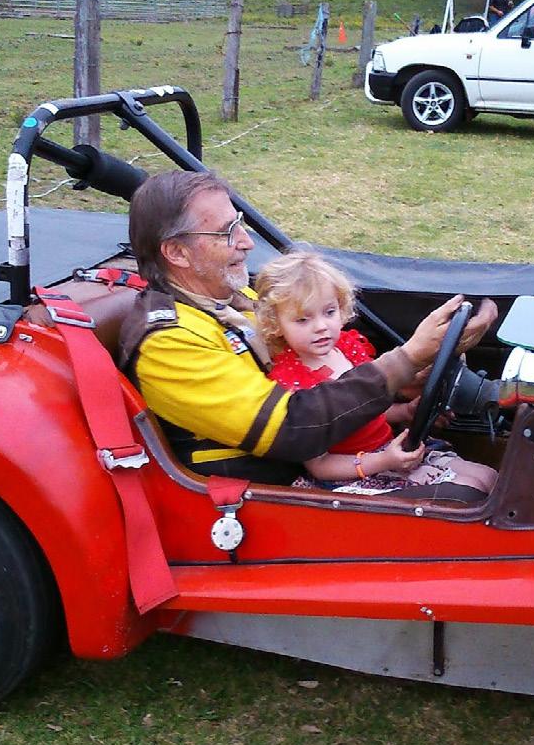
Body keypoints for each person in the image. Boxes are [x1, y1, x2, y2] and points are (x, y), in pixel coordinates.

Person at [118, 170, 498, 500]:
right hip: (273, 492)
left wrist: (411, 377)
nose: (246, 242)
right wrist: (405, 359)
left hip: (330, 459)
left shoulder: (234, 298)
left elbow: (323, 369)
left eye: (240, 224)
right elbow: (293, 426)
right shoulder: (168, 343)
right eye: (226, 232)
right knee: (473, 502)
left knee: (494, 480)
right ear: (177, 253)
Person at [255, 250, 498, 496]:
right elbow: (320, 466)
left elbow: (366, 409)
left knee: (489, 477)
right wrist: (383, 461)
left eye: (329, 312)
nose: (321, 327)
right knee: (471, 491)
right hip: (355, 472)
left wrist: (405, 411)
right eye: (302, 320)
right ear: (276, 324)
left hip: (389, 450)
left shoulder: (347, 347)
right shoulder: (291, 385)